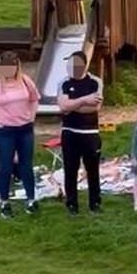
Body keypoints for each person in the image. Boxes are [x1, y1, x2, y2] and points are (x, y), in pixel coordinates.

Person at [0, 51, 40, 218]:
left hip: (25, 129)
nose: (9, 70)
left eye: (12, 67)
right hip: (5, 132)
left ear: (17, 66)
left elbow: (35, 99)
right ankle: (4, 202)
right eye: (6, 67)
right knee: (5, 165)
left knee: (26, 165)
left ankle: (31, 199)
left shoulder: (26, 81)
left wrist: (32, 116)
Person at [57, 51, 103, 216]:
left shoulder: (95, 82)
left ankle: (95, 203)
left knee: (93, 169)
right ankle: (72, 204)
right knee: (70, 169)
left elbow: (94, 108)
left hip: (90, 132)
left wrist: (73, 104)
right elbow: (63, 107)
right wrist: (84, 100)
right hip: (69, 132)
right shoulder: (63, 82)